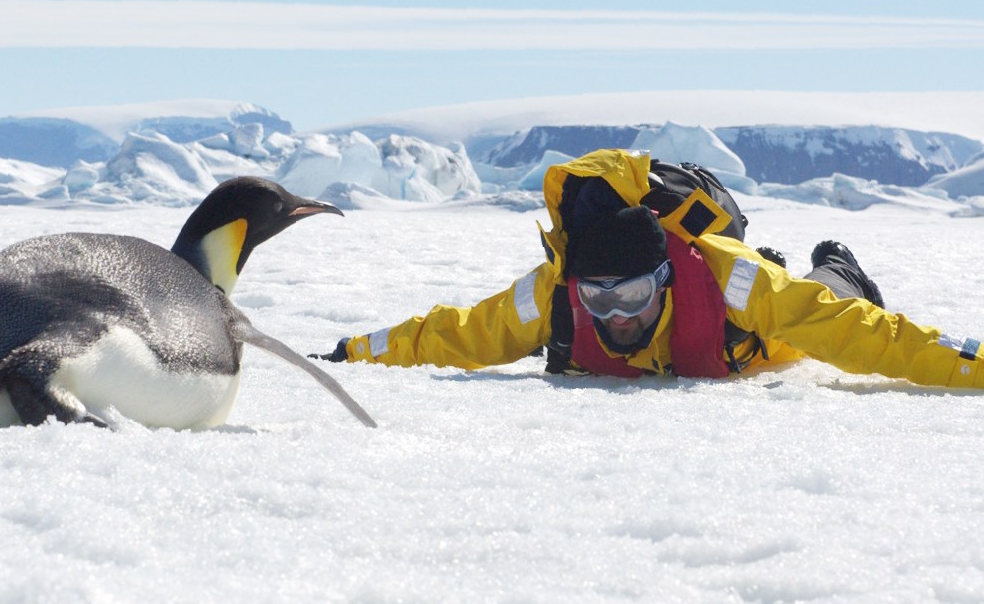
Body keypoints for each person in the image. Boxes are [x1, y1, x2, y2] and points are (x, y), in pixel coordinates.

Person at [312, 149, 983, 389]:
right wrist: (355, 351)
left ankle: (838, 266)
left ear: (663, 277)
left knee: (823, 298)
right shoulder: (556, 293)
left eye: (631, 294)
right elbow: (456, 333)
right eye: (598, 299)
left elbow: (867, 336)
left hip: (763, 335)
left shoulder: (730, 280)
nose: (615, 316)